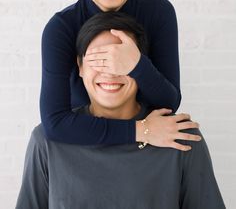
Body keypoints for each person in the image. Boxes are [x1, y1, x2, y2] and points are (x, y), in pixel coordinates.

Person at [16, 12, 225, 209]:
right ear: (80, 66)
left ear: (142, 67)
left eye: (123, 61)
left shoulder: (181, 137)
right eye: (99, 59)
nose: (111, 71)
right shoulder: (46, 142)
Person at [41, 0, 184, 147]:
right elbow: (55, 123)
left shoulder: (158, 11)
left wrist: (136, 64)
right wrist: (142, 130)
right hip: (85, 141)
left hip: (151, 149)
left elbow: (169, 103)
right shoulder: (61, 28)